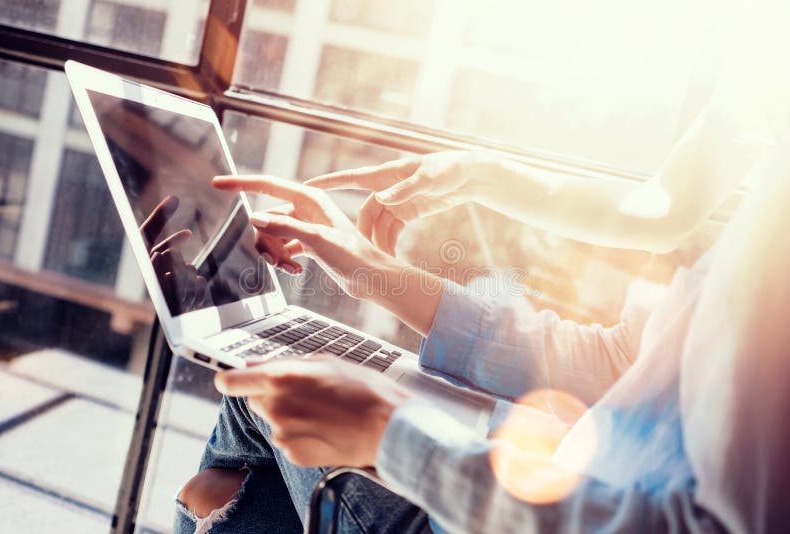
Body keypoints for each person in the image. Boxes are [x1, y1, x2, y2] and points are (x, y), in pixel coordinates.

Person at [174, 5, 790, 533]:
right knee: (256, 417)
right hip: (543, 470)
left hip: (513, 506)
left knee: (248, 419)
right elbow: (626, 344)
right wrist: (371, 269)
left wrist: (391, 433)